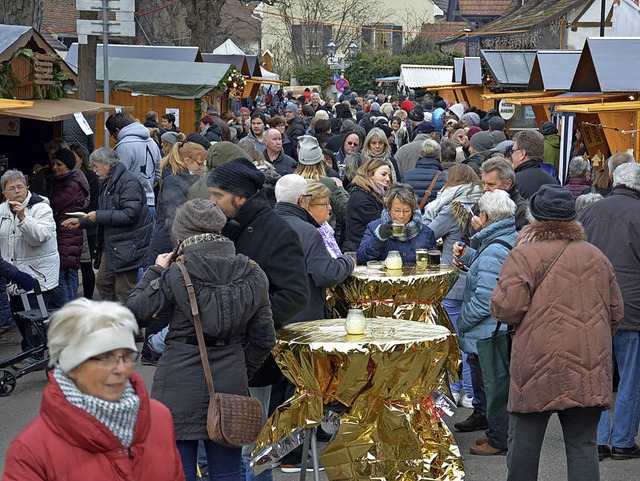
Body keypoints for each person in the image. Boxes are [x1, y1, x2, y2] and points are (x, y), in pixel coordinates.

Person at [126, 199, 275, 481]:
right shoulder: (253, 272)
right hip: (230, 381)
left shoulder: (175, 273)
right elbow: (264, 338)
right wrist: (242, 369)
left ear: (181, 236)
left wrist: (156, 271)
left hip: (177, 382)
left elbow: (134, 313)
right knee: (228, 472)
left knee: (178, 473)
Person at [491, 184, 623, 480]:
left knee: (524, 447)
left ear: (534, 216)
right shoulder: (596, 255)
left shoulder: (523, 255)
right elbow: (616, 312)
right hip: (588, 363)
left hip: (535, 361)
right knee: (582, 446)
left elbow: (507, 309)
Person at [2, 298, 186, 481]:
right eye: (105, 358)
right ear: (72, 365)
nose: (121, 369)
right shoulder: (30, 452)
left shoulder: (159, 417)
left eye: (126, 356)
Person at [206, 158, 309, 479]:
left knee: (250, 447)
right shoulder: (223, 224)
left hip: (255, 358)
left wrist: (247, 318)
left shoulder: (277, 231)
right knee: (220, 442)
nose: (212, 202)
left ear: (240, 197)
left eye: (217, 195)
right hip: (218, 354)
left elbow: (295, 295)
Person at [578, 162, 640, 461]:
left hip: (595, 305)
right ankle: (623, 441)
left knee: (598, 377)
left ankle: (599, 440)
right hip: (633, 308)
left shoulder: (591, 211)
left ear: (615, 180)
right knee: (631, 378)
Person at [452, 189, 517, 457]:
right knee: (493, 385)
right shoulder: (503, 238)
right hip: (495, 329)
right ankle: (495, 433)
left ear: (486, 216)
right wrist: (469, 256)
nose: (476, 218)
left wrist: (462, 323)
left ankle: (499, 439)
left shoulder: (493, 248)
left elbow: (484, 300)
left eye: (478, 213)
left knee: (494, 388)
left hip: (489, 332)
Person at [422, 164, 483, 408]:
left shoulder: (451, 209)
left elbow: (428, 233)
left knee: (454, 339)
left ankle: (462, 389)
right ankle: (467, 390)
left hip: (454, 281)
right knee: (469, 338)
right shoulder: (483, 205)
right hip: (477, 280)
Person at [62, 148, 152, 304]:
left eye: (96, 166)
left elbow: (130, 214)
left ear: (108, 165)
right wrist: (82, 221)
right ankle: (112, 318)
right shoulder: (108, 181)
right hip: (113, 243)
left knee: (124, 291)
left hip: (128, 245)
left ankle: (128, 326)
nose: (94, 171)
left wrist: (98, 215)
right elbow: (106, 213)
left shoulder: (128, 182)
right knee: (104, 282)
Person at [0, 169, 60, 309]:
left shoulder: (41, 208)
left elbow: (39, 238)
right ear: (4, 193)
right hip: (14, 280)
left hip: (38, 279)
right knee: (21, 321)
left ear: (27, 187)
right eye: (11, 188)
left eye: (20, 186)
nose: (17, 191)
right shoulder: (2, 210)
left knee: (36, 325)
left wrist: (23, 218)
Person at [148, 141, 206, 263]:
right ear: (186, 160)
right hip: (167, 245)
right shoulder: (173, 182)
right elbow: (174, 216)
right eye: (199, 164)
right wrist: (181, 247)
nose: (202, 168)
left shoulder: (185, 179)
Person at [357, 183, 436, 265]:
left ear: (413, 211)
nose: (401, 216)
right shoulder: (374, 227)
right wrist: (378, 238)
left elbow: (434, 266)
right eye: (397, 210)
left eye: (406, 211)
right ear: (389, 209)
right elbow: (361, 260)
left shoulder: (426, 233)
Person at [50, 148, 89, 302]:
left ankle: (69, 309)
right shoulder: (67, 181)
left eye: (59, 164)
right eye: (53, 164)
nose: (55, 168)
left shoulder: (71, 184)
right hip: (69, 232)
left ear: (68, 165)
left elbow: (55, 203)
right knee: (70, 272)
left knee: (64, 273)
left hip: (67, 232)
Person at [105, 113, 162, 215]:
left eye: (113, 136)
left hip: (129, 204)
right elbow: (158, 174)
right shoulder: (153, 143)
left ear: (117, 130)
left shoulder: (124, 146)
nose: (114, 139)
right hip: (150, 202)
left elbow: (118, 177)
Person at [343, 158, 392, 252]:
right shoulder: (361, 198)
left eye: (389, 175)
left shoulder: (373, 195)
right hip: (361, 249)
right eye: (383, 174)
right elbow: (381, 225)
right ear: (369, 174)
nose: (387, 179)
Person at [70, 144, 100, 299]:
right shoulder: (68, 176)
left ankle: (88, 297)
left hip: (88, 225)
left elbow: (95, 202)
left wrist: (84, 217)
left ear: (82, 159)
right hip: (73, 224)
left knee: (86, 264)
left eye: (74, 158)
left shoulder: (91, 178)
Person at [511, 130, 558, 199]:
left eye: (513, 151)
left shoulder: (513, 183)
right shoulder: (553, 182)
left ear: (522, 153)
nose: (511, 155)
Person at [402, 139, 446, 204]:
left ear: (420, 155)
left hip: (413, 213)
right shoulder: (445, 177)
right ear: (439, 157)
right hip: (435, 213)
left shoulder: (406, 176)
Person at [307, 180, 341, 258]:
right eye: (324, 204)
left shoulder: (325, 227)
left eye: (329, 203)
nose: (330, 208)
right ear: (308, 207)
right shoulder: (307, 233)